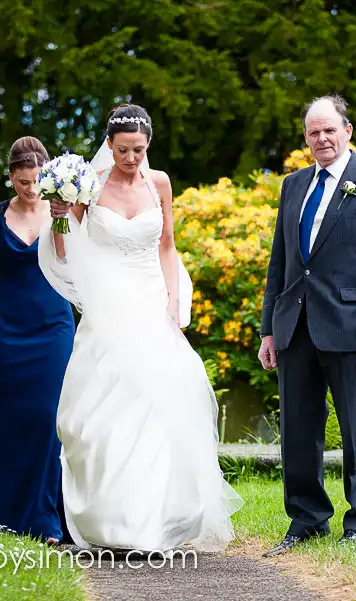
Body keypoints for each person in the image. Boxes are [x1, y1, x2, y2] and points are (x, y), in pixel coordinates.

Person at [38, 104, 243, 554]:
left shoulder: (161, 183)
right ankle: (113, 520)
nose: (132, 158)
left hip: (152, 299)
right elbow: (64, 249)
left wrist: (174, 300)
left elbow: (167, 247)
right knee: (103, 410)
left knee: (162, 403)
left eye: (140, 149)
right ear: (109, 146)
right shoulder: (88, 188)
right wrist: (57, 212)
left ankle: (158, 520)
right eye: (124, 150)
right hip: (109, 302)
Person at [258, 95, 356, 556]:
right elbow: (280, 262)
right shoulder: (293, 185)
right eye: (312, 133)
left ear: (347, 131)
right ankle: (306, 519)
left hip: (353, 325)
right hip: (295, 324)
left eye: (329, 130)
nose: (321, 139)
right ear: (305, 139)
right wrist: (268, 329)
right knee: (299, 430)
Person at [0, 136, 76, 545]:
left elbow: (66, 262)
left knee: (47, 417)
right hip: (8, 327)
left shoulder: (60, 207)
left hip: (53, 323)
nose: (29, 187)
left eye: (36, 179)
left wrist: (59, 218)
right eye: (22, 181)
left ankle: (45, 516)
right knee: (9, 416)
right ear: (10, 177)